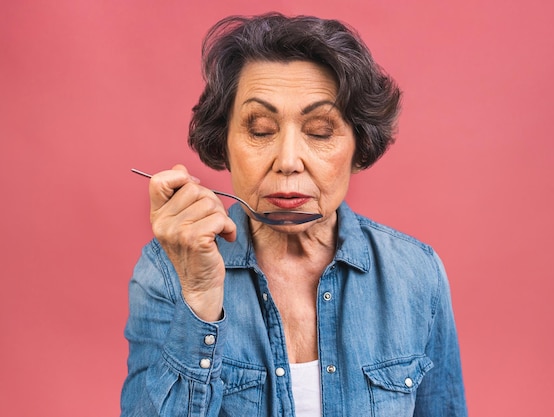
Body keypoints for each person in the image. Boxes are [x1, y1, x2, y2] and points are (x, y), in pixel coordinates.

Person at [121, 12, 467, 417]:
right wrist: (199, 299)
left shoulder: (417, 273)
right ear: (223, 143)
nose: (288, 161)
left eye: (320, 131)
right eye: (261, 130)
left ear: (360, 146)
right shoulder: (166, 272)